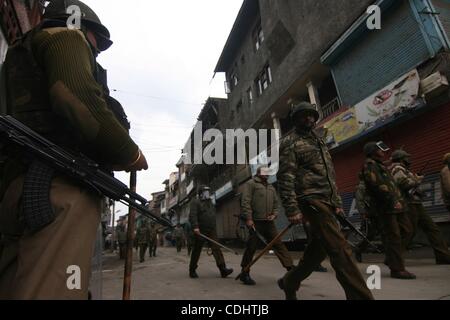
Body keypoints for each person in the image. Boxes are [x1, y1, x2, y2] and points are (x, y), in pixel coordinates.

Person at [0, 0, 148, 299]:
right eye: (96, 40)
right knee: (58, 290)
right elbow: (77, 96)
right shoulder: (66, 35)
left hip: (17, 188)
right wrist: (129, 153)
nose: (95, 49)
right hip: (59, 187)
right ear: (82, 26)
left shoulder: (17, 59)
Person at [277, 102, 374, 300]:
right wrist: (292, 209)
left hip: (327, 200)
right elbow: (285, 176)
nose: (309, 119)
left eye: (311, 115)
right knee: (340, 249)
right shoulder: (291, 142)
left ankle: (290, 281)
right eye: (303, 115)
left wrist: (337, 203)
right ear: (295, 119)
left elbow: (330, 176)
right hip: (310, 199)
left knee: (318, 251)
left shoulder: (318, 140)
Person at [361, 142, 415, 279]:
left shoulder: (380, 165)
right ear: (373, 151)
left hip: (396, 205)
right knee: (394, 236)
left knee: (407, 230)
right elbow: (377, 185)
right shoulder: (370, 165)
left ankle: (391, 258)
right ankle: (397, 269)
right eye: (379, 150)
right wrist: (392, 200)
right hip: (386, 207)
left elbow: (391, 185)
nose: (382, 151)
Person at [390, 150, 450, 264]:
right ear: (401, 159)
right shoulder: (397, 168)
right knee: (409, 232)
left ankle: (443, 256)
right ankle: (393, 258)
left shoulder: (404, 170)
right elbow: (404, 184)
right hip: (408, 204)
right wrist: (416, 180)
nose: (409, 159)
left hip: (415, 203)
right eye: (406, 157)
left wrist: (417, 185)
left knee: (432, 229)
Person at [239, 166, 294, 285]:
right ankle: (245, 272)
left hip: (268, 222)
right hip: (255, 222)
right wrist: (248, 218)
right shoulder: (251, 184)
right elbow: (246, 201)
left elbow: (276, 203)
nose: (266, 173)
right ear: (258, 173)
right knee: (251, 247)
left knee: (278, 244)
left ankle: (291, 270)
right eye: (264, 171)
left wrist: (274, 214)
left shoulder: (270, 187)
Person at [188, 186, 233, 279]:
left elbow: (212, 214)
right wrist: (195, 227)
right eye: (205, 191)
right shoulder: (195, 202)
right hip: (200, 230)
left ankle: (223, 269)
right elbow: (192, 215)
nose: (207, 193)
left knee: (216, 248)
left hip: (211, 229)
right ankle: (192, 269)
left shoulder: (210, 202)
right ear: (201, 193)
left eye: (208, 191)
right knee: (197, 250)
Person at [354, 174, 384, 263]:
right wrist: (363, 213)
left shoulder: (373, 185)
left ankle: (390, 255)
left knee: (383, 231)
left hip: (376, 212)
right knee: (370, 234)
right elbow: (359, 200)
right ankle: (359, 249)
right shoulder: (361, 187)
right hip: (369, 213)